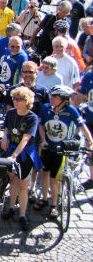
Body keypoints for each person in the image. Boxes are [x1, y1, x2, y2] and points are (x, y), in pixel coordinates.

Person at [36, 86, 93, 218]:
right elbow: (41, 126)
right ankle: (44, 199)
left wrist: (90, 141)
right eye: (51, 96)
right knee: (44, 174)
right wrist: (43, 140)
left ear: (64, 100)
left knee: (54, 179)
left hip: (61, 149)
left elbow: (82, 126)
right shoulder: (45, 108)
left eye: (55, 97)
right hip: (47, 147)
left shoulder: (71, 110)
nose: (52, 99)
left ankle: (54, 205)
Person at [1, 86, 42, 231]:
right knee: (13, 180)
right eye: (14, 99)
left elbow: (25, 140)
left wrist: (14, 156)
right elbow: (6, 127)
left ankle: (23, 214)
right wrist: (5, 137)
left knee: (24, 185)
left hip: (25, 153)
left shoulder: (32, 117)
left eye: (19, 99)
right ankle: (11, 207)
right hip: (12, 148)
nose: (16, 102)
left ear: (27, 101)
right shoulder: (11, 112)